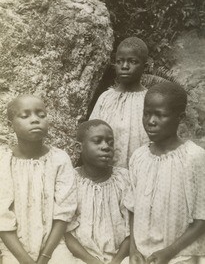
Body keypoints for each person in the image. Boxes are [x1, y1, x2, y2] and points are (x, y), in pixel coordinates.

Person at [125, 82, 205, 264]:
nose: (151, 121)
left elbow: (202, 219)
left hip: (180, 255)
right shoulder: (138, 157)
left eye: (160, 115)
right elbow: (132, 209)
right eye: (146, 113)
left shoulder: (194, 158)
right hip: (141, 255)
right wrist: (133, 250)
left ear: (180, 117)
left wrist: (169, 253)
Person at [0, 95, 77, 264]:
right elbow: (2, 218)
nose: (35, 120)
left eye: (41, 115)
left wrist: (44, 258)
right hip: (14, 248)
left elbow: (63, 213)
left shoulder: (59, 159)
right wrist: (25, 260)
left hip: (53, 245)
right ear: (9, 124)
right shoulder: (3, 161)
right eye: (25, 115)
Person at [64, 119, 130, 264]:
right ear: (78, 147)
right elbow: (65, 230)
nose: (106, 147)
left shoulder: (123, 179)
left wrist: (117, 261)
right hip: (80, 257)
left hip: (121, 257)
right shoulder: (70, 180)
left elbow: (132, 228)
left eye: (110, 142)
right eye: (97, 141)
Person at [89, 37, 149, 168]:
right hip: (107, 172)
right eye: (119, 61)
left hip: (141, 170)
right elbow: (91, 135)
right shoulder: (105, 98)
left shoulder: (149, 99)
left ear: (145, 66)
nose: (125, 66)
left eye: (132, 61)